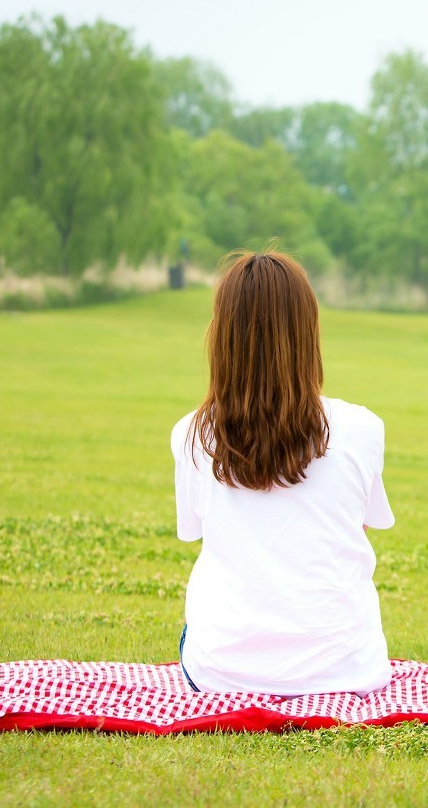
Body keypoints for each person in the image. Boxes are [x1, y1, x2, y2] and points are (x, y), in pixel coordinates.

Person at [171, 250, 395, 696]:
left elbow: (196, 533)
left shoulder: (191, 436)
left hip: (221, 672)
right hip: (346, 672)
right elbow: (364, 521)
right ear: (307, 333)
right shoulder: (362, 428)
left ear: (222, 337)